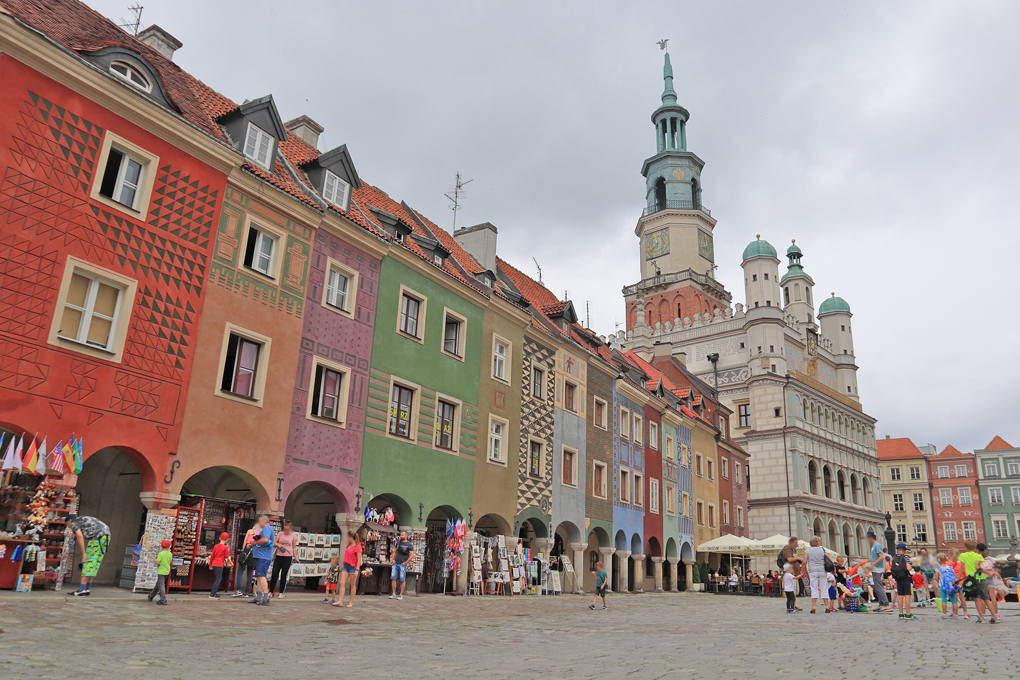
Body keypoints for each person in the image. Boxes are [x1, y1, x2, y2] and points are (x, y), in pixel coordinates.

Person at [68, 514, 111, 597]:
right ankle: (86, 589)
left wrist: (83, 554)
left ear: (70, 520)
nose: (69, 527)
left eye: (67, 524)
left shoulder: (75, 521)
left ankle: (81, 590)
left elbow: (79, 536)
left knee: (88, 562)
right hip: (105, 537)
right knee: (94, 563)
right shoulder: (83, 519)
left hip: (98, 538)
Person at [958, 540, 995, 623]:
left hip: (972, 580)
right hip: (981, 578)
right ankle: (994, 616)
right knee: (986, 598)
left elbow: (962, 568)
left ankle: (981, 618)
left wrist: (958, 578)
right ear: (975, 547)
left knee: (977, 599)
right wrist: (988, 572)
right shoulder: (978, 556)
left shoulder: (963, 555)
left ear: (965, 547)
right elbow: (978, 567)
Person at [249, 515, 275, 606]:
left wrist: (254, 542)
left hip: (263, 557)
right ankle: (259, 596)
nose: (259, 523)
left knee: (261, 576)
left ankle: (266, 597)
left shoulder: (267, 528)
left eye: (260, 521)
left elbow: (265, 539)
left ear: (264, 521)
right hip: (261, 556)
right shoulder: (265, 529)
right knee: (259, 576)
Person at [334, 531, 362, 608]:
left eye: (347, 537)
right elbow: (346, 555)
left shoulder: (357, 547)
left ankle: (351, 602)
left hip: (353, 567)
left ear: (351, 537)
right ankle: (340, 600)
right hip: (346, 565)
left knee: (352, 585)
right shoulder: (348, 545)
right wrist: (343, 564)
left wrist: (357, 569)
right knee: (341, 582)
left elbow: (359, 559)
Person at [268, 521, 297, 599]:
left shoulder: (293, 536)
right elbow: (274, 542)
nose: (286, 531)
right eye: (285, 529)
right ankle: (270, 591)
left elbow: (294, 547)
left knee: (284, 574)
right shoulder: (280, 534)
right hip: (279, 555)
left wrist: (296, 557)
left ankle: (281, 592)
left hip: (288, 556)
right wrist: (278, 545)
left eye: (287, 529)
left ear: (290, 529)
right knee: (274, 573)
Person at [865, 531, 892, 611]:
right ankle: (881, 604)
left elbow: (881, 557)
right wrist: (867, 561)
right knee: (877, 587)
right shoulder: (874, 546)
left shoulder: (877, 545)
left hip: (877, 568)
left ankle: (886, 604)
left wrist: (872, 564)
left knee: (878, 587)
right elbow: (874, 557)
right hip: (875, 568)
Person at [890, 542, 916, 620]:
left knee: (900, 595)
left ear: (897, 550)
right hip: (905, 577)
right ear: (904, 550)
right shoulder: (905, 558)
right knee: (907, 595)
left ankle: (901, 613)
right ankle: (908, 613)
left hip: (897, 578)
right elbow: (908, 568)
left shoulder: (893, 558)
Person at [804, 536, 828, 614]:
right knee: (824, 588)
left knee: (814, 588)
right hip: (822, 571)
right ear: (818, 542)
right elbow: (829, 558)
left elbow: (804, 561)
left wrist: (802, 570)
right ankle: (827, 606)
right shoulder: (822, 549)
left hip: (813, 571)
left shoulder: (808, 550)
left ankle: (814, 606)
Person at [389, 530, 415, 600]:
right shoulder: (398, 543)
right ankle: (393, 593)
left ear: (406, 536)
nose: (401, 536)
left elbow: (412, 555)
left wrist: (406, 562)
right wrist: (392, 558)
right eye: (401, 535)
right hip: (396, 563)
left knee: (402, 579)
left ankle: (400, 594)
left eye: (403, 535)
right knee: (393, 578)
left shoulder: (409, 545)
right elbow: (395, 551)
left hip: (403, 564)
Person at [232, 527, 256, 598]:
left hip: (246, 550)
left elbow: (245, 541)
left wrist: (243, 550)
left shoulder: (250, 531)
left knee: (240, 571)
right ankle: (246, 592)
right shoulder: (260, 533)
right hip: (253, 552)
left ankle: (239, 590)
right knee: (249, 572)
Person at [935, 552, 960, 619]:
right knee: (953, 599)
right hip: (950, 586)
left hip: (942, 586)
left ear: (938, 560)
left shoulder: (937, 569)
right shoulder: (950, 568)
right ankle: (956, 614)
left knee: (944, 600)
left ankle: (944, 614)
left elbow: (936, 578)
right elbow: (955, 576)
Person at [147, 539, 172, 605]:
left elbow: (157, 562)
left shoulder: (160, 554)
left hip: (161, 571)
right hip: (167, 570)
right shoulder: (170, 554)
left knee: (161, 585)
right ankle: (151, 596)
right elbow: (170, 562)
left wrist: (155, 558)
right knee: (158, 584)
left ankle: (163, 599)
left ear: (162, 546)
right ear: (169, 546)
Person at [948, 548, 969, 619]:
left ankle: (954, 612)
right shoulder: (961, 563)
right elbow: (965, 573)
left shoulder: (948, 563)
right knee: (962, 598)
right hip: (960, 582)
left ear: (950, 554)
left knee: (953, 598)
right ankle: (965, 613)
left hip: (951, 583)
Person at [209, 532, 231, 599]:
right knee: (218, 579)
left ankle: (213, 593)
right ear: (227, 539)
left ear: (219, 538)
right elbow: (226, 556)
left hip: (214, 563)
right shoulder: (225, 547)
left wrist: (210, 564)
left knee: (217, 578)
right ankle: (213, 593)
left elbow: (212, 556)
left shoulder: (216, 546)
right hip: (219, 564)